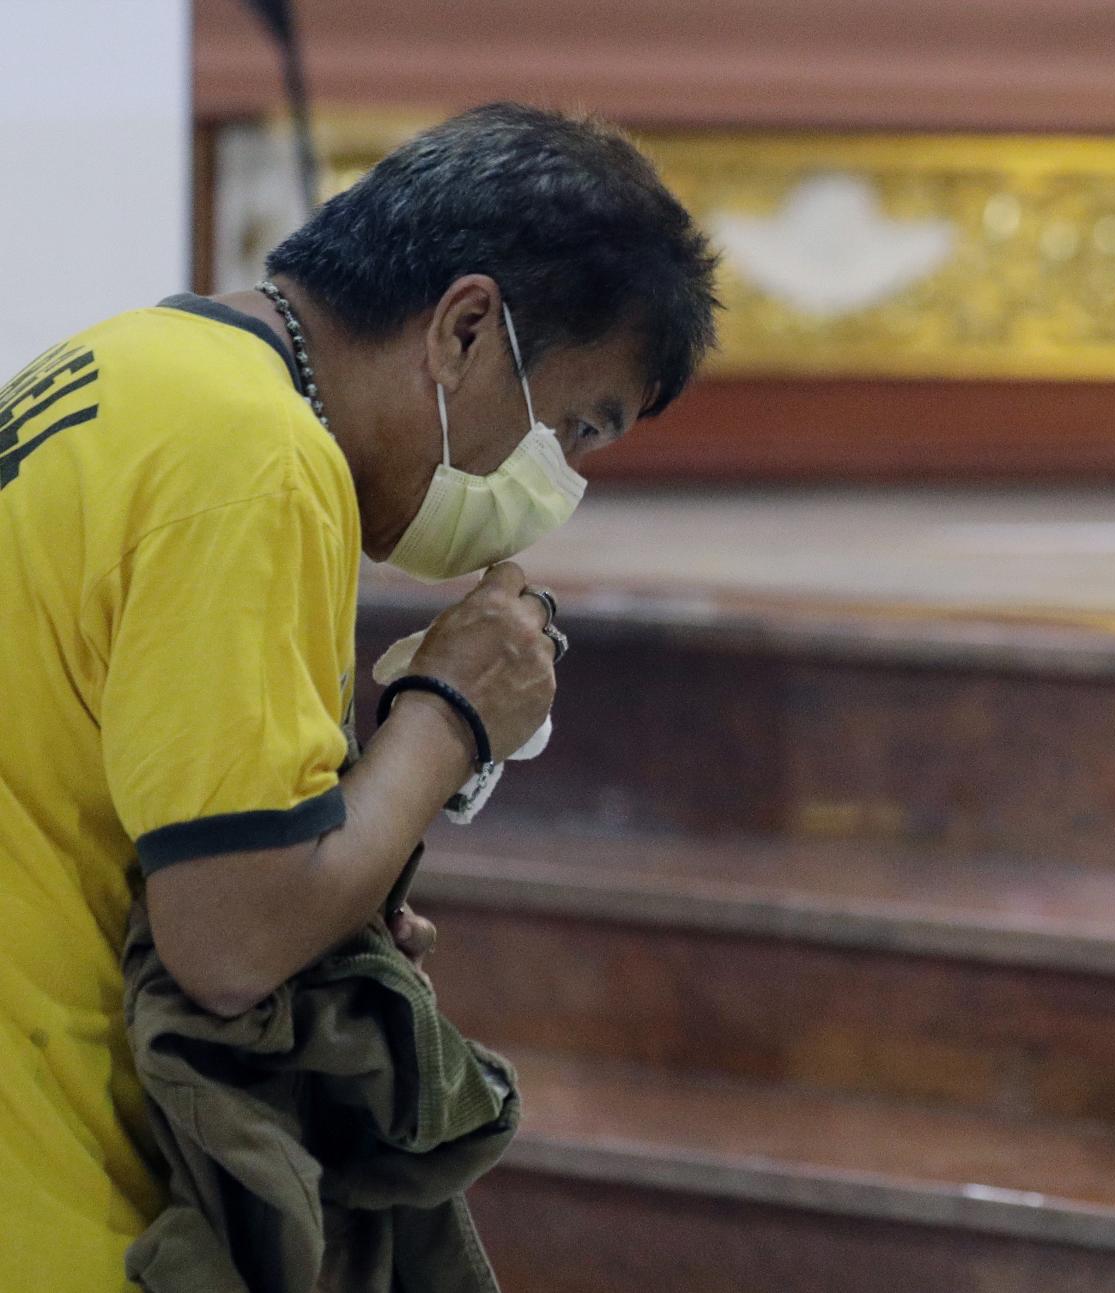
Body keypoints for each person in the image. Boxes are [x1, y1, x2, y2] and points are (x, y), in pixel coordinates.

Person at [0, 102, 717, 1289]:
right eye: (576, 427)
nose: (553, 482)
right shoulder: (257, 460)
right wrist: (450, 712)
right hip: (48, 1184)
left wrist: (339, 892)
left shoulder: (132, 364)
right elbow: (232, 938)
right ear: (466, 329)